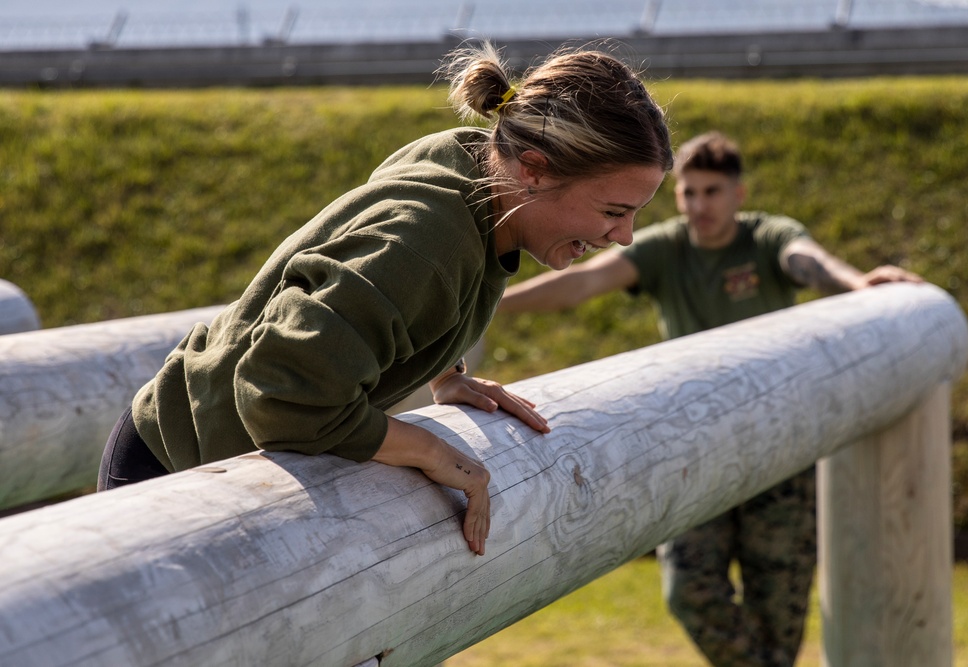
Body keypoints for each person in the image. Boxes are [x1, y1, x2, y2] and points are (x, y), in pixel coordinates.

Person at [97, 42, 674, 558]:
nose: (622, 237)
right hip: (173, 479)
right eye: (613, 211)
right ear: (535, 171)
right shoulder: (423, 240)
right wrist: (425, 446)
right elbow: (279, 394)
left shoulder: (476, 166)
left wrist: (444, 372)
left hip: (221, 469)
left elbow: (380, 297)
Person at [498, 131, 922, 664]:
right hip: (696, 448)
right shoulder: (666, 249)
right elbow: (582, 283)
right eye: (688, 193)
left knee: (778, 612)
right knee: (690, 591)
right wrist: (490, 303)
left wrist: (860, 287)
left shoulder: (766, 237)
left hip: (780, 450)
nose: (699, 206)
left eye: (712, 192)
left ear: (738, 194)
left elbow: (805, 260)